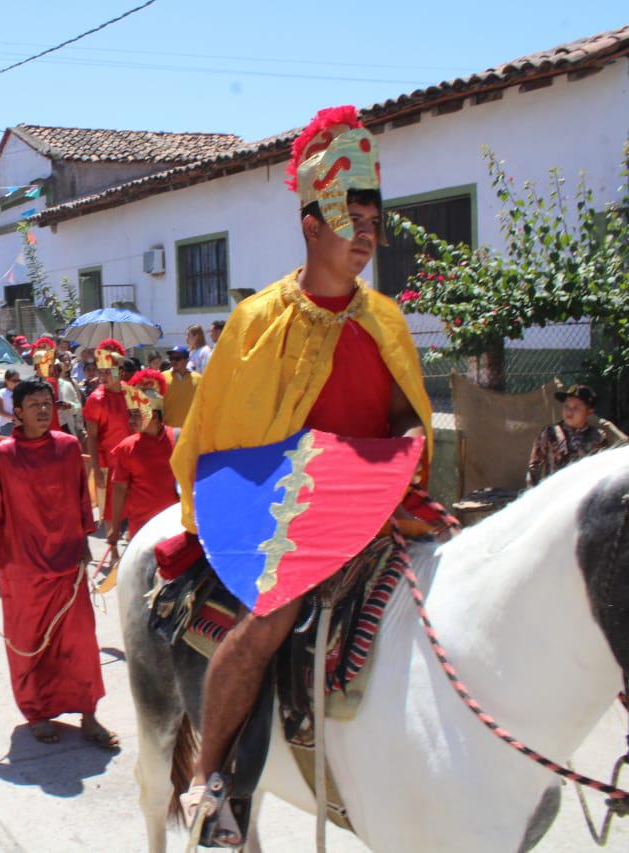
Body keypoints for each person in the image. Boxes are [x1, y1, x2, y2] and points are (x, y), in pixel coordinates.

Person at [171, 105, 433, 845]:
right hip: (284, 509)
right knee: (268, 622)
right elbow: (225, 442)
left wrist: (410, 445)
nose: (368, 235)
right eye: (352, 219)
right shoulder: (257, 320)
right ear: (311, 224)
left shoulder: (385, 318)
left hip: (379, 499)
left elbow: (404, 411)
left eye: (375, 222)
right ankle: (209, 785)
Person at [0, 377, 117, 750]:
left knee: (80, 642)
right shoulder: (3, 456)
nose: (44, 409)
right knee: (29, 644)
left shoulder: (67, 448)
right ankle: (38, 713)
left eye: (47, 403)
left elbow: (82, 501)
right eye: (34, 404)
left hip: (66, 565)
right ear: (17, 412)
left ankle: (89, 713)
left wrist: (83, 545)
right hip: (22, 569)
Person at [107, 370, 177, 547]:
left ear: (153, 414)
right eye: (130, 414)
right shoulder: (126, 447)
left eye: (137, 414)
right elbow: (119, 488)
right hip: (141, 530)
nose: (131, 420)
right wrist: (115, 527)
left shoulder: (180, 439)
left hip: (175, 525)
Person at [526, 384, 626, 486]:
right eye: (566, 406)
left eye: (576, 407)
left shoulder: (598, 437)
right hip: (555, 493)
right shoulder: (550, 432)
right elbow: (534, 465)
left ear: (589, 412)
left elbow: (602, 469)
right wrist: (533, 491)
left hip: (582, 493)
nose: (569, 411)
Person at [82, 339, 132, 521]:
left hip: (130, 462)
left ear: (120, 371)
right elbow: (92, 437)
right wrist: (96, 470)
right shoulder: (96, 399)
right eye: (101, 372)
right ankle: (114, 550)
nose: (104, 376)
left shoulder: (132, 394)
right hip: (107, 464)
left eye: (109, 372)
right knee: (111, 514)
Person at [163, 345, 201, 429]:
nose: (174, 361)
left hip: (190, 431)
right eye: (171, 358)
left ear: (187, 360)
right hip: (168, 430)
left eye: (177, 359)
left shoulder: (198, 379)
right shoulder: (162, 377)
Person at [0, 370, 20, 437]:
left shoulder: (20, 392)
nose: (16, 383)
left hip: (20, 424)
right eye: (14, 380)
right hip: (7, 425)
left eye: (18, 380)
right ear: (6, 380)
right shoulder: (2, 393)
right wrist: (14, 417)